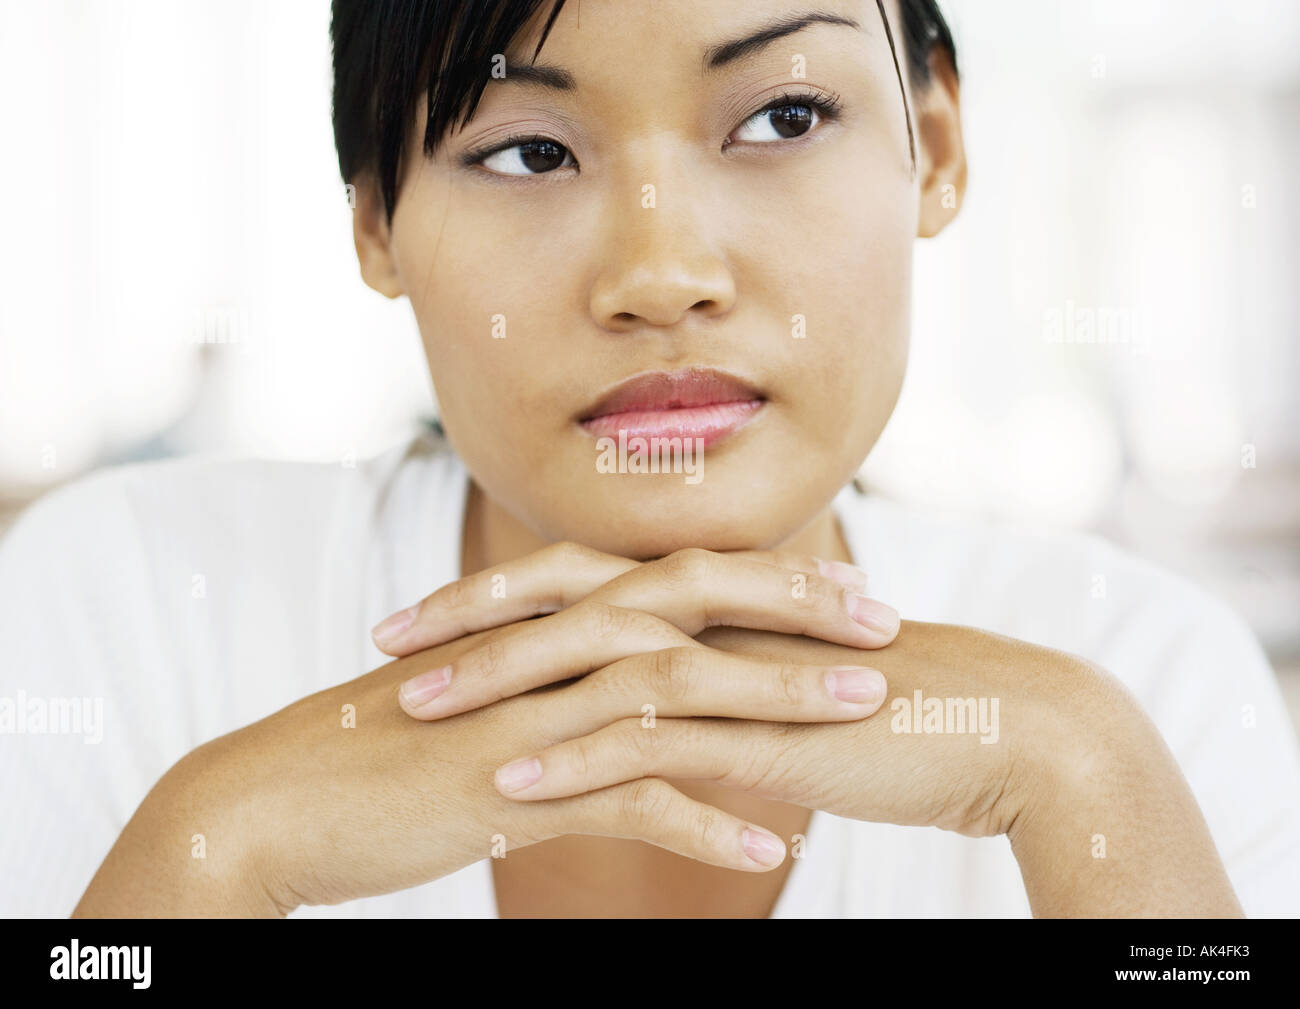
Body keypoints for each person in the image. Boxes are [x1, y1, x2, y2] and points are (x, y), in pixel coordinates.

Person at [3, 0, 1298, 919]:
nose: (661, 273)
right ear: (377, 221)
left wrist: (1081, 773)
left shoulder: (1143, 677)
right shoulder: (120, 606)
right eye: (527, 151)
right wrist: (216, 846)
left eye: (785, 114)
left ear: (938, 151)